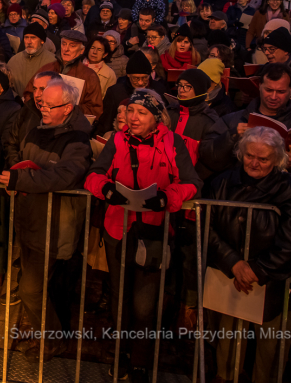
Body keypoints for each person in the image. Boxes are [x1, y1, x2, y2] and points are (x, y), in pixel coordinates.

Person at [85, 89, 201, 381]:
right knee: (119, 297)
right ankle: (122, 354)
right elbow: (93, 174)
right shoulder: (118, 140)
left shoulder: (173, 142)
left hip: (154, 229)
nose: (132, 118)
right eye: (130, 111)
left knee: (144, 303)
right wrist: (105, 188)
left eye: (141, 113)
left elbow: (192, 183)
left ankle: (140, 361)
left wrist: (168, 198)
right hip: (118, 227)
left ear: (156, 118)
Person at [0, 78, 91, 361]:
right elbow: (23, 158)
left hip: (52, 224)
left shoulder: (77, 139)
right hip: (29, 218)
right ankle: (43, 334)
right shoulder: (39, 128)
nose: (43, 108)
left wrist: (20, 177)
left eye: (50, 105)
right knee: (31, 287)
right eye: (41, 103)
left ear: (67, 107)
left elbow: (64, 174)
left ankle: (52, 341)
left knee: (31, 289)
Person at [206, 127, 291, 383]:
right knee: (228, 346)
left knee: (269, 351)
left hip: (272, 283)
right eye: (250, 155)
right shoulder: (221, 182)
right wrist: (234, 263)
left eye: (263, 159)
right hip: (228, 277)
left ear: (276, 159)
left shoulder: (290, 189)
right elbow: (205, 226)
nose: (254, 163)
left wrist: (256, 270)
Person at [219, 63, 291, 189]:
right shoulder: (232, 121)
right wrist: (231, 137)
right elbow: (210, 158)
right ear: (259, 86)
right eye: (269, 90)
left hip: (284, 196)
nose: (273, 97)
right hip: (237, 193)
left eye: (280, 91)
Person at [57, 30, 103, 117]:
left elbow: (95, 109)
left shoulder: (89, 76)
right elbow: (30, 94)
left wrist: (68, 108)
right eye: (63, 44)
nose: (66, 49)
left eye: (72, 46)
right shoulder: (48, 68)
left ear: (82, 50)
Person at [6, 22, 57, 97]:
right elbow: (7, 86)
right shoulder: (13, 61)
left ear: (42, 41)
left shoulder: (53, 61)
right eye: (26, 37)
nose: (29, 42)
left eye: (33, 38)